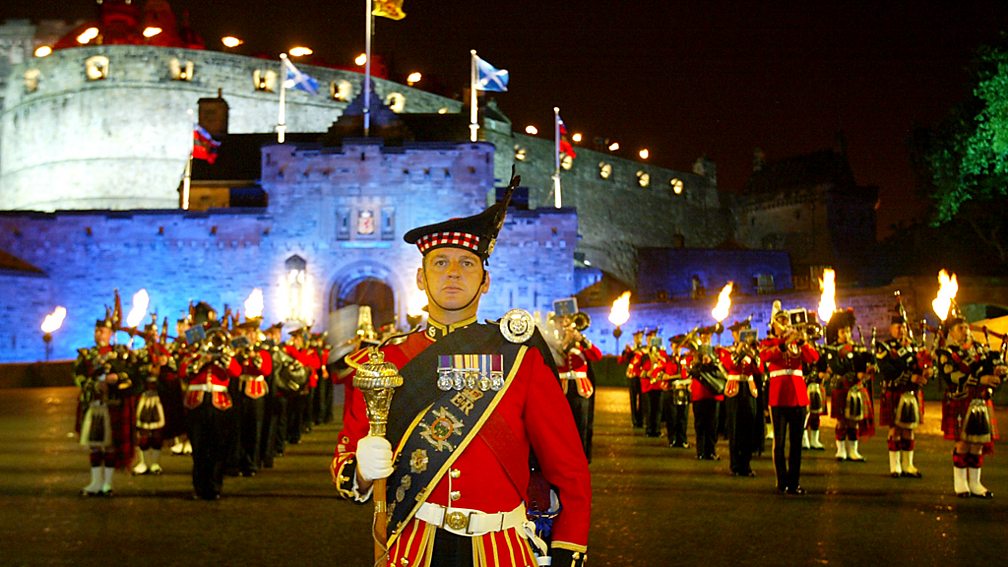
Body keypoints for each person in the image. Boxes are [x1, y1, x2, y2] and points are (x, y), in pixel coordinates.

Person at [330, 186, 591, 566]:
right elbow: (346, 458)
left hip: (500, 547)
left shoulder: (521, 359)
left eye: (467, 264)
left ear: (485, 281)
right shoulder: (385, 360)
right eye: (440, 263)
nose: (453, 272)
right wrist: (362, 472)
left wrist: (569, 544)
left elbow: (568, 467)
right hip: (413, 544)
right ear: (420, 278)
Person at [936, 315, 1004, 498]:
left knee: (978, 443)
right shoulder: (947, 353)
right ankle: (960, 483)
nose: (965, 331)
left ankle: (975, 483)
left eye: (966, 327)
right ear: (951, 333)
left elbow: (991, 370)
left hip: (980, 400)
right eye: (960, 328)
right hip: (961, 400)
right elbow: (952, 376)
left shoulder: (981, 349)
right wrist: (979, 379)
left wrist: (999, 373)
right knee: (963, 442)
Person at [74, 314, 137, 496]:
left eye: (102, 330)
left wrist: (117, 378)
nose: (99, 334)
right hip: (94, 404)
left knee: (110, 445)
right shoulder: (86, 355)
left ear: (111, 333)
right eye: (96, 330)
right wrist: (94, 384)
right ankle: (95, 482)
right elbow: (78, 377)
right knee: (95, 444)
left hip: (114, 404)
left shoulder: (121, 353)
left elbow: (132, 374)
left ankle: (107, 484)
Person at [760, 301, 819, 495]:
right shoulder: (769, 342)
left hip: (798, 397)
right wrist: (784, 343)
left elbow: (813, 358)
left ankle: (794, 483)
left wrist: (801, 341)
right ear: (774, 325)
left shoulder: (797, 343)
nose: (784, 324)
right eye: (780, 321)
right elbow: (766, 357)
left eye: (786, 321)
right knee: (780, 442)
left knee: (796, 443)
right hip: (778, 397)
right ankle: (782, 481)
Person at [179, 323, 242, 500]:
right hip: (196, 403)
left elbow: (236, 371)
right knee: (199, 448)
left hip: (219, 403)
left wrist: (223, 358)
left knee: (218, 446)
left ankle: (214, 486)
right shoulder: (193, 356)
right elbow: (184, 371)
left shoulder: (225, 355)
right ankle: (199, 486)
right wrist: (201, 360)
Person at [876, 308, 930, 478]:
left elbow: (921, 366)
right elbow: (887, 370)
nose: (901, 330)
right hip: (895, 391)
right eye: (897, 327)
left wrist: (926, 373)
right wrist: (909, 377)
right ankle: (895, 466)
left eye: (903, 327)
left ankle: (908, 465)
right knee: (895, 429)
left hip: (912, 394)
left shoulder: (915, 347)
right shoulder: (884, 347)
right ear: (891, 329)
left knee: (909, 430)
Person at [822, 309, 874, 462]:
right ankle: (841, 449)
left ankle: (853, 450)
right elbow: (837, 367)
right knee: (841, 420)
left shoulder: (857, 348)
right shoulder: (832, 350)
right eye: (842, 332)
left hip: (855, 388)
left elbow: (866, 362)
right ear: (837, 333)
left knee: (853, 420)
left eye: (847, 331)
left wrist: (867, 368)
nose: (846, 334)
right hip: (841, 387)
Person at [556, 313, 601, 463]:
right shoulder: (555, 342)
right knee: (563, 425)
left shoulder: (582, 343)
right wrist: (566, 341)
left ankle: (582, 455)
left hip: (581, 386)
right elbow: (554, 358)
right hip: (563, 388)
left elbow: (597, 355)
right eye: (564, 322)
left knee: (582, 424)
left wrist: (582, 340)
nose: (566, 325)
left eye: (568, 322)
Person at [723, 320, 761, 476]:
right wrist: (739, 350)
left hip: (749, 388)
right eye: (739, 332)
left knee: (748, 427)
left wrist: (753, 353)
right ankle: (735, 464)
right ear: (734, 334)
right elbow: (729, 365)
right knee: (735, 427)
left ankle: (746, 463)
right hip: (734, 388)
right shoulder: (728, 350)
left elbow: (759, 369)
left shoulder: (752, 351)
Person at [688, 326, 727, 460]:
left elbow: (722, 368)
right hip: (699, 392)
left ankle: (710, 451)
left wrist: (711, 362)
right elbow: (689, 369)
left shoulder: (717, 352)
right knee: (699, 424)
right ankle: (700, 451)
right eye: (703, 336)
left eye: (708, 336)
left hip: (712, 393)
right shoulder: (693, 354)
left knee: (712, 424)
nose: (705, 338)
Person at [656, 335, 690, 448]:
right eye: (675, 345)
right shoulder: (666, 359)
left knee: (683, 416)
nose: (677, 348)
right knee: (672, 416)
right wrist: (663, 375)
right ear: (671, 346)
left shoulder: (686, 358)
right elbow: (658, 371)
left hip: (683, 390)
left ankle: (683, 439)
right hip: (670, 390)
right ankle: (673, 439)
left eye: (679, 345)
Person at [618, 330, 646, 428]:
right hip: (632, 376)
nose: (637, 339)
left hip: (641, 376)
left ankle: (641, 420)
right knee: (633, 399)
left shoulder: (644, 349)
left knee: (642, 400)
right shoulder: (630, 349)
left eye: (639, 337)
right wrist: (626, 352)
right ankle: (634, 420)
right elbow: (621, 361)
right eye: (636, 337)